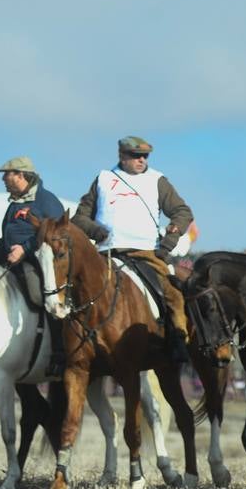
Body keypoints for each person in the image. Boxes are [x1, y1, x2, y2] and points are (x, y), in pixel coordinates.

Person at [72, 136, 193, 359]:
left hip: (146, 252)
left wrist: (167, 245)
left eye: (144, 156)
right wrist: (97, 232)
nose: (141, 160)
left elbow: (182, 212)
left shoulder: (158, 181)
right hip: (107, 252)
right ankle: (68, 348)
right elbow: (79, 218)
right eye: (136, 156)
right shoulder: (103, 179)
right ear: (122, 156)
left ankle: (177, 342)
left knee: (173, 295)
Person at [0, 156, 66, 374]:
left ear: (21, 175)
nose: (3, 179)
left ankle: (58, 353)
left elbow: (57, 234)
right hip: (11, 260)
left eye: (7, 174)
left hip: (36, 262)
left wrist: (24, 249)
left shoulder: (46, 201)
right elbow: (6, 241)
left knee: (39, 294)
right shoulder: (15, 204)